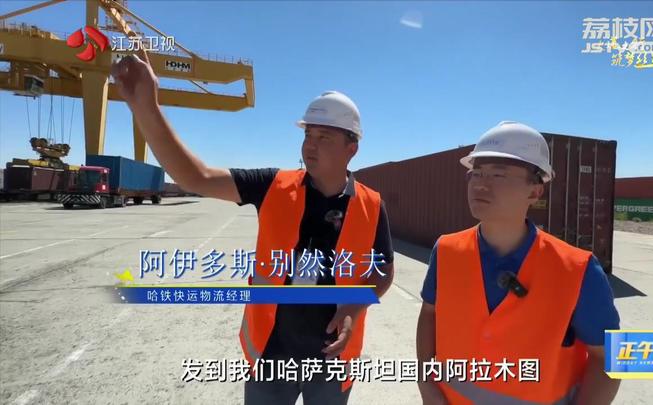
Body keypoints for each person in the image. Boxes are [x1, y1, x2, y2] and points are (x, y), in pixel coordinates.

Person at [111, 52, 395, 405]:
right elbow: (195, 177)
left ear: (352, 149)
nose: (310, 145)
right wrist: (146, 107)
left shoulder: (371, 205)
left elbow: (383, 270)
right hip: (271, 357)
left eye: (324, 137)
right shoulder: (272, 186)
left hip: (332, 362)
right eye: (308, 134)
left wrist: (354, 306)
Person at [416, 121, 621, 405]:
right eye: (476, 173)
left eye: (498, 174)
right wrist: (425, 383)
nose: (480, 184)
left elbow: (608, 358)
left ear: (535, 192)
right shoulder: (447, 250)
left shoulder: (578, 269)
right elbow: (429, 314)